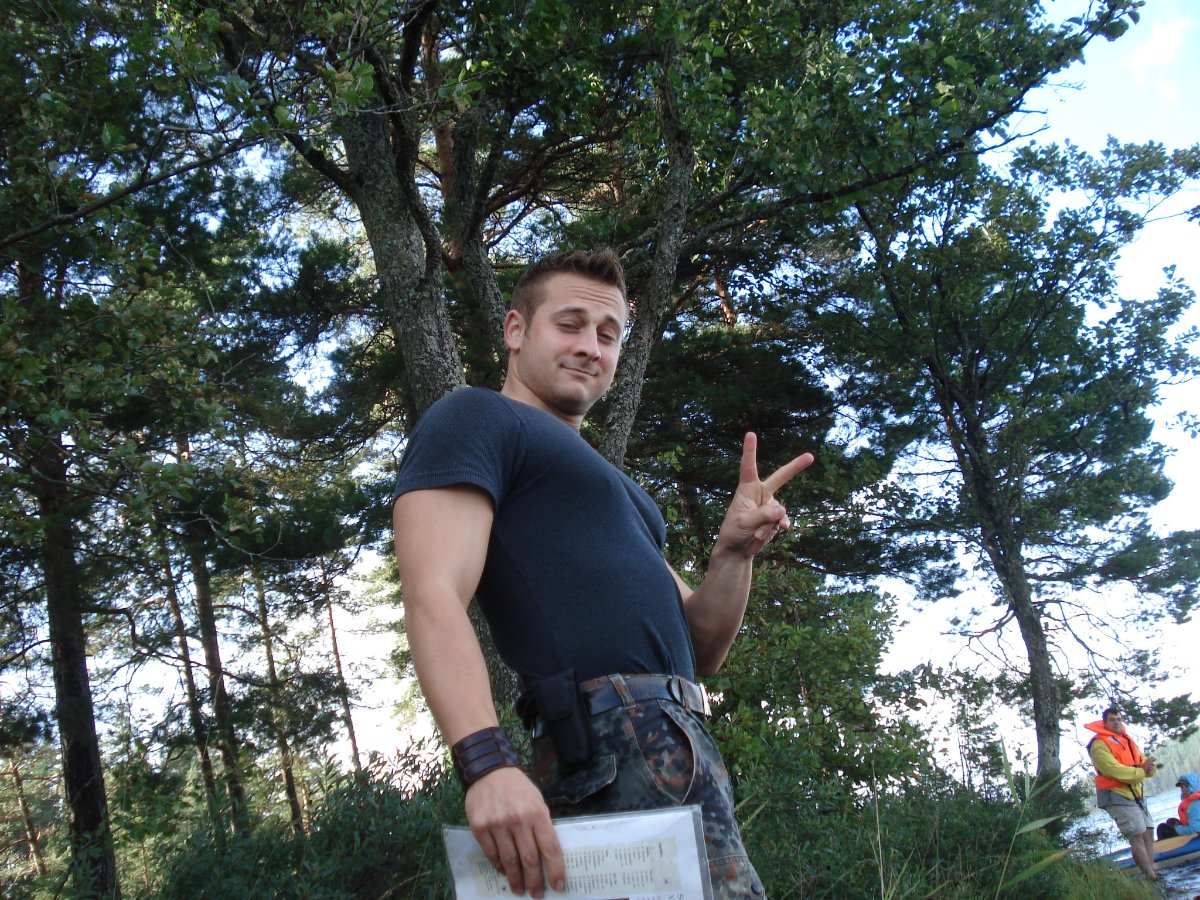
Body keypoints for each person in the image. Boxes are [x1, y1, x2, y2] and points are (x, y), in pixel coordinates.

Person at [392, 249, 812, 899]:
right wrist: (485, 761)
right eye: (570, 324)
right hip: (608, 742)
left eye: (608, 335)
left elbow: (701, 648)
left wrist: (732, 556)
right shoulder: (476, 416)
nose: (591, 346)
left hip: (680, 739)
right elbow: (433, 591)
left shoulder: (620, 492)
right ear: (515, 330)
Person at [1085, 708, 1159, 881]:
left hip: (1135, 793)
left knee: (1148, 831)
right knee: (1137, 835)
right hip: (1116, 794)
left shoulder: (1126, 739)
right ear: (1105, 722)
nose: (1117, 722)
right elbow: (1113, 770)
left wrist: (1149, 767)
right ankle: (1150, 877)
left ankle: (1152, 872)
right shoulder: (1099, 744)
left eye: (1119, 719)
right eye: (1112, 720)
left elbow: (1141, 760)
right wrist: (1141, 772)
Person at [1156, 772, 1200, 840]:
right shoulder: (1192, 802)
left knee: (1161, 828)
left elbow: (1196, 829)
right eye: (1182, 787)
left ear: (1193, 787)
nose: (1183, 790)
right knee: (1171, 821)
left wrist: (1177, 828)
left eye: (1186, 786)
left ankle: (1164, 845)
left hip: (1196, 835)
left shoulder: (1195, 804)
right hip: (1192, 830)